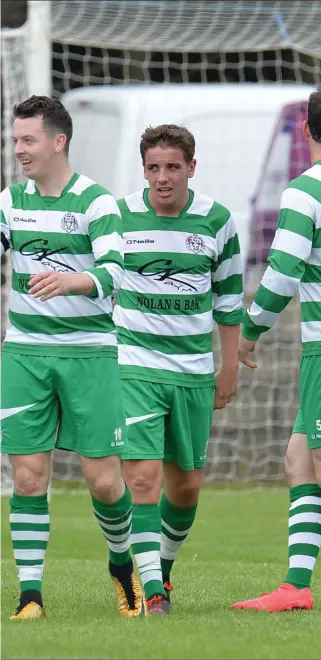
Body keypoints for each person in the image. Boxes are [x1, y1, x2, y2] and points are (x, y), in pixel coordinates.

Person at [230, 82, 321, 615]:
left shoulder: (305, 191)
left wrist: (249, 330)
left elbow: (284, 270)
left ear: (308, 132)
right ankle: (296, 586)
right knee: (299, 460)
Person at [0, 96, 144, 620]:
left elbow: (116, 274)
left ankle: (122, 567)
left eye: (28, 140)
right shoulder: (9, 201)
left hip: (89, 355)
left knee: (105, 481)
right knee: (29, 477)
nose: (19, 150)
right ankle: (30, 597)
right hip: (25, 353)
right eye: (15, 140)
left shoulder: (97, 203)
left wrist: (71, 281)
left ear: (58, 141)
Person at [114, 124, 243, 614]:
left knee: (185, 487)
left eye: (172, 167)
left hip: (192, 371)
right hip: (133, 366)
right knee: (143, 479)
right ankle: (152, 593)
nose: (162, 178)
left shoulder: (218, 220)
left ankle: (160, 569)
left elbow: (230, 300)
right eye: (153, 168)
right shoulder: (121, 217)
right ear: (143, 169)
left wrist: (228, 366)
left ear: (192, 167)